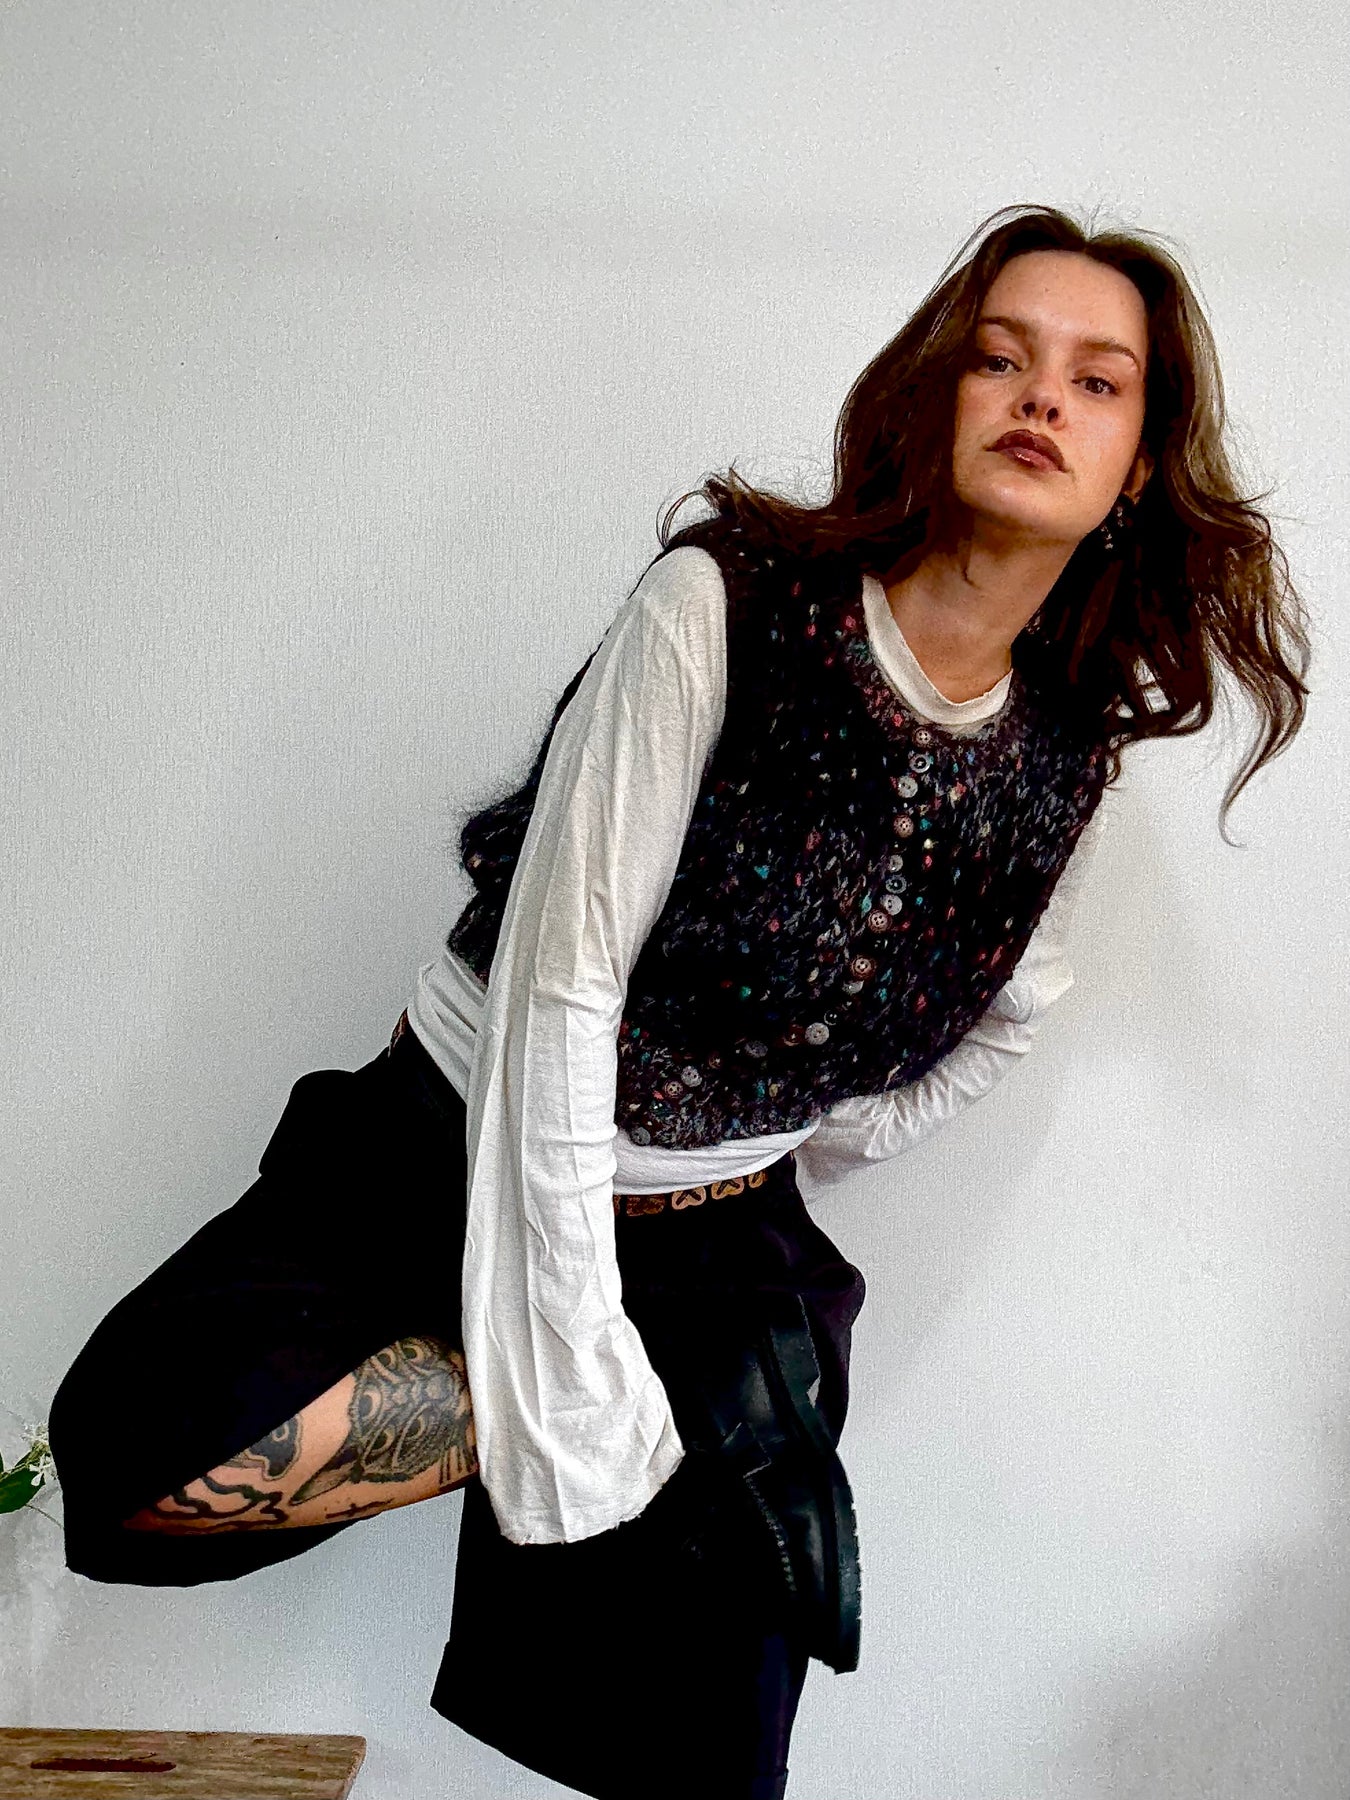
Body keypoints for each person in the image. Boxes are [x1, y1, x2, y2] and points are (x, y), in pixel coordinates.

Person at [48, 203, 1310, 1800]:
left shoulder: (1062, 757)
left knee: (699, 1762)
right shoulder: (726, 604)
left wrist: (772, 1144)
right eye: (999, 358)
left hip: (713, 1260)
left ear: (1136, 466)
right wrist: (561, 1364)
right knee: (140, 1464)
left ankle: (648, 1407)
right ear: (932, 397)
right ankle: (551, 1397)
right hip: (453, 1139)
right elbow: (558, 987)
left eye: (1096, 379)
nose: (1039, 396)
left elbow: (1005, 1017)